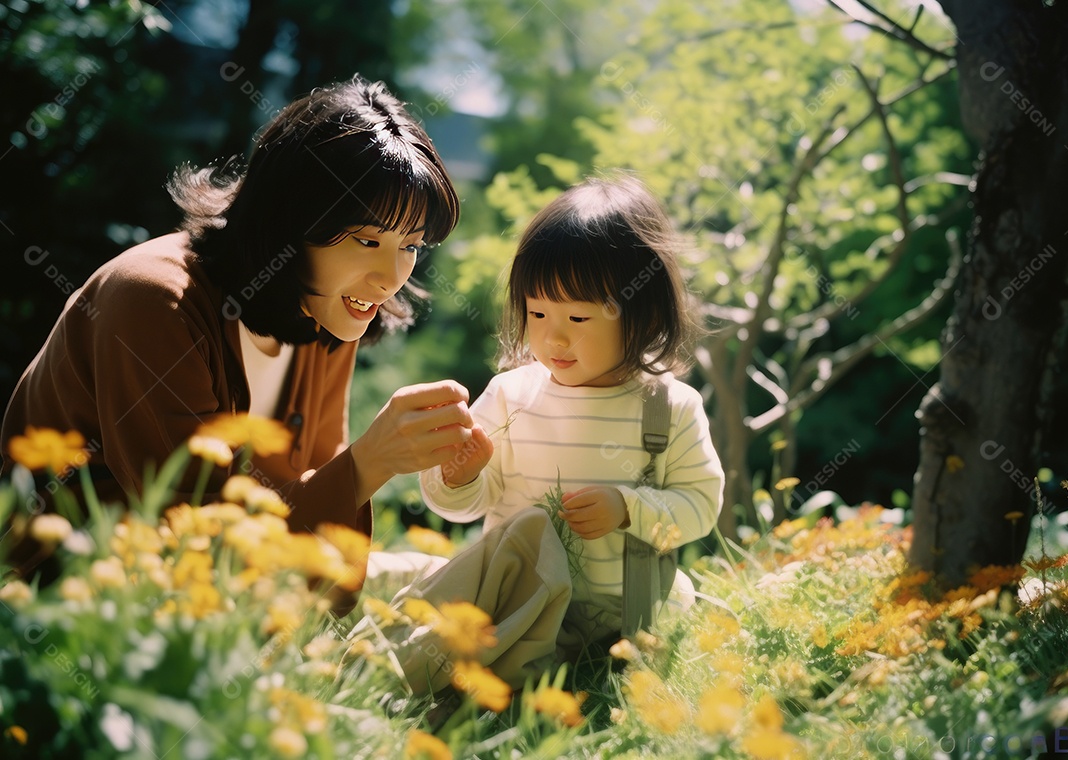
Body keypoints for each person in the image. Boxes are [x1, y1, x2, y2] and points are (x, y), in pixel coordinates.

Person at [1, 76, 476, 575]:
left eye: (411, 246)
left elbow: (305, 500)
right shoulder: (155, 300)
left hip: (228, 610)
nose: (390, 279)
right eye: (365, 240)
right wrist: (370, 462)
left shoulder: (333, 309)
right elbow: (190, 535)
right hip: (69, 595)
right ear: (291, 219)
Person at [417, 174, 725, 666]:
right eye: (537, 315)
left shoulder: (668, 409)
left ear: (641, 315)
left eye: (578, 320)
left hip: (627, 612)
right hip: (520, 605)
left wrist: (628, 508)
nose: (554, 339)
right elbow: (462, 506)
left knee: (627, 670)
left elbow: (700, 507)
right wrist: (459, 475)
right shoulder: (511, 397)